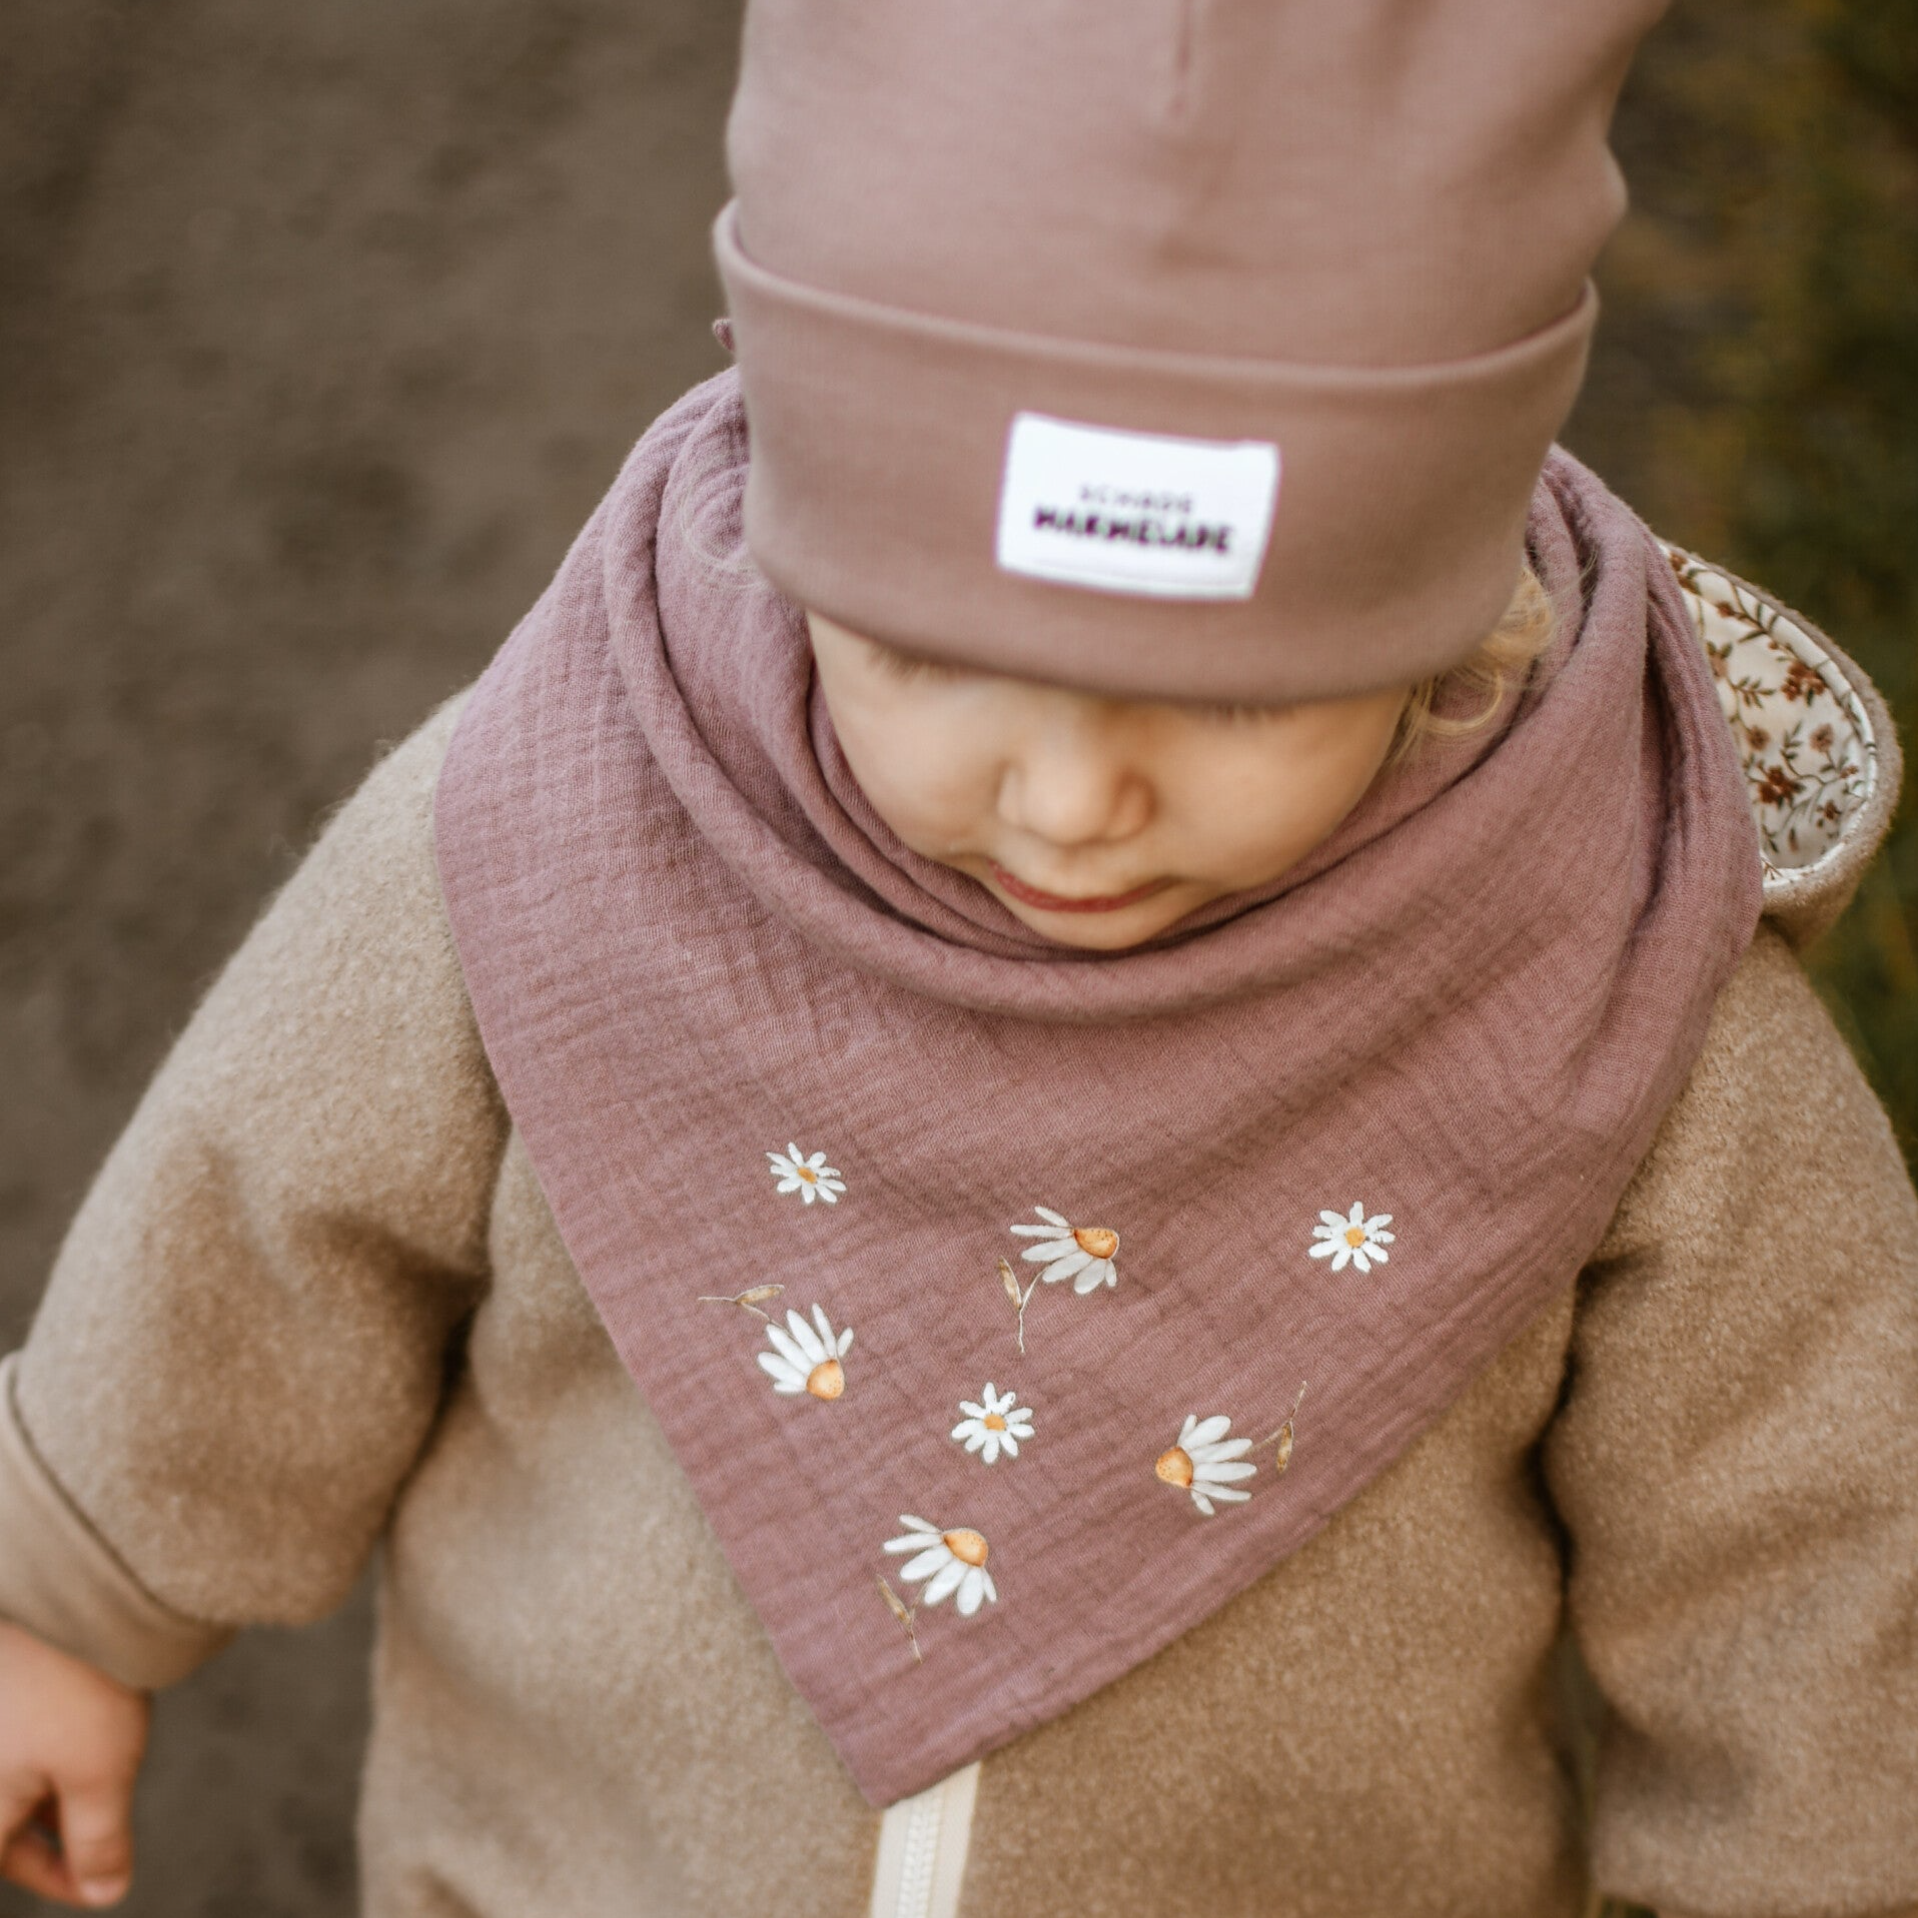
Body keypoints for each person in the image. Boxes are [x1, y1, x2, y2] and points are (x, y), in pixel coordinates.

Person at [3, 3, 1915, 1915]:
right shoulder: (565, 819)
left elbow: (1813, 1537)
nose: (1073, 801)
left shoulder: (1603, 977)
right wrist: (62, 1596)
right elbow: (258, 1225)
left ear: (1436, 604)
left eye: (1233, 702)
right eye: (929, 658)